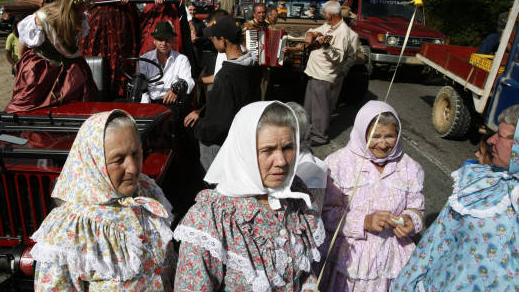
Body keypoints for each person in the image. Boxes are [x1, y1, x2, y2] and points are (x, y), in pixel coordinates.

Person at [174, 101, 325, 291]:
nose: (281, 161)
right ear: (243, 152)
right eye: (267, 150)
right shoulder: (209, 219)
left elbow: (303, 267)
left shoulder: (295, 195)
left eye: (288, 147)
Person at [31, 110, 176, 291]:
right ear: (94, 161)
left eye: (136, 153)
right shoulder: (71, 227)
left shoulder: (148, 192)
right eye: (119, 159)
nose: (132, 168)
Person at [393, 105, 519, 291]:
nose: (491, 140)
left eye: (500, 136)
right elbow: (437, 236)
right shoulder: (479, 179)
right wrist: (405, 283)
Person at [321, 101, 425, 291]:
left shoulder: (410, 167)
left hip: (392, 259)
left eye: (390, 136)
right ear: (362, 134)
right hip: (349, 260)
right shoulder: (337, 163)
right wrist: (364, 222)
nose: (383, 144)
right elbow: (325, 212)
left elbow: (416, 207)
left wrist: (411, 220)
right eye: (375, 136)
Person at [5, 0, 99, 113]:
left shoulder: (80, 17)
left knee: (78, 101)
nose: (88, 7)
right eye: (86, 3)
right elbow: (23, 41)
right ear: (74, 1)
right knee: (29, 105)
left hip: (70, 67)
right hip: (43, 68)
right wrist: (21, 64)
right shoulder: (43, 17)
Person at [185, 16, 260, 170]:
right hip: (245, 135)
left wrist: (198, 127)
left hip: (223, 143)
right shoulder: (252, 65)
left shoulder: (226, 75)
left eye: (213, 38)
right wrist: (202, 111)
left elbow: (217, 125)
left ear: (223, 40)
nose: (211, 40)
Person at [302, 0, 352, 145]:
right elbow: (319, 29)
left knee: (320, 108)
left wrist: (326, 45)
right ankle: (309, 132)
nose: (323, 16)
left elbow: (339, 57)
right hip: (315, 72)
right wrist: (311, 33)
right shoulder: (330, 25)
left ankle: (319, 136)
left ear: (330, 15)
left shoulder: (342, 32)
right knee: (310, 106)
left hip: (324, 74)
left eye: (324, 13)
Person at [138, 21, 194, 104]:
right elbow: (142, 88)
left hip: (173, 104)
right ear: (154, 41)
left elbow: (189, 82)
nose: (163, 43)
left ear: (172, 41)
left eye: (167, 40)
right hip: (149, 103)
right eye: (160, 39)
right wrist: (146, 107)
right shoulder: (144, 59)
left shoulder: (182, 59)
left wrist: (176, 89)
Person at [329, 6, 361, 109]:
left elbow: (352, 55)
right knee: (331, 97)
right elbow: (353, 56)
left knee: (327, 96)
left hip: (333, 68)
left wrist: (343, 70)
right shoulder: (350, 34)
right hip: (336, 68)